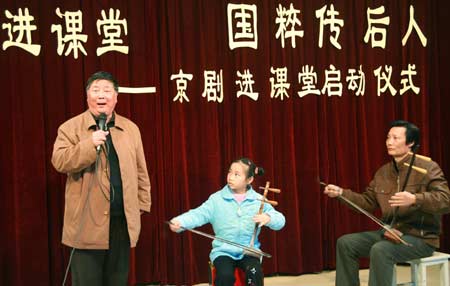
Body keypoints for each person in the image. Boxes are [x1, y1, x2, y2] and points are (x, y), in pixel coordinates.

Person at [51, 71, 151, 286]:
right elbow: (59, 161)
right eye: (95, 91)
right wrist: (89, 144)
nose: (101, 96)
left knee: (117, 281)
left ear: (116, 97)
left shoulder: (130, 129)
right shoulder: (70, 128)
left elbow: (141, 170)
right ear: (87, 97)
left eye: (107, 91)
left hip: (121, 223)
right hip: (86, 224)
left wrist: (141, 204)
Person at [324, 120, 450, 286]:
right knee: (346, 243)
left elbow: (445, 200)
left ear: (411, 142)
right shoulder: (383, 172)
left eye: (396, 138)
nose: (389, 142)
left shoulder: (428, 167)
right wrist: (341, 193)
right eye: (388, 137)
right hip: (390, 233)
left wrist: (414, 198)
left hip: (420, 238)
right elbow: (367, 202)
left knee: (381, 249)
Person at [169, 158, 285, 286]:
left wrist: (268, 218)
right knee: (225, 276)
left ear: (249, 180)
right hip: (223, 251)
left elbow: (280, 220)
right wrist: (180, 222)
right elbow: (198, 214)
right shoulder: (216, 199)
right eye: (230, 172)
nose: (231, 177)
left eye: (237, 174)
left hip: (249, 251)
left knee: (254, 272)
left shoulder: (258, 200)